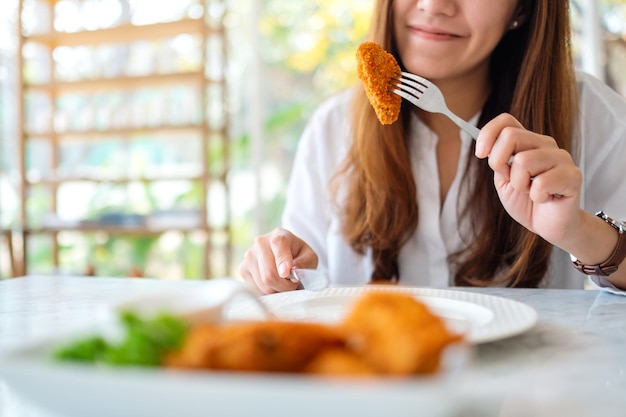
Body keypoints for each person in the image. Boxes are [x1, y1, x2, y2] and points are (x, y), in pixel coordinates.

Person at [238, 0, 626, 295]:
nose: (435, 5)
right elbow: (304, 284)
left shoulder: (588, 112)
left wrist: (577, 231)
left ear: (522, 9)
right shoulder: (332, 127)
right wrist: (280, 270)